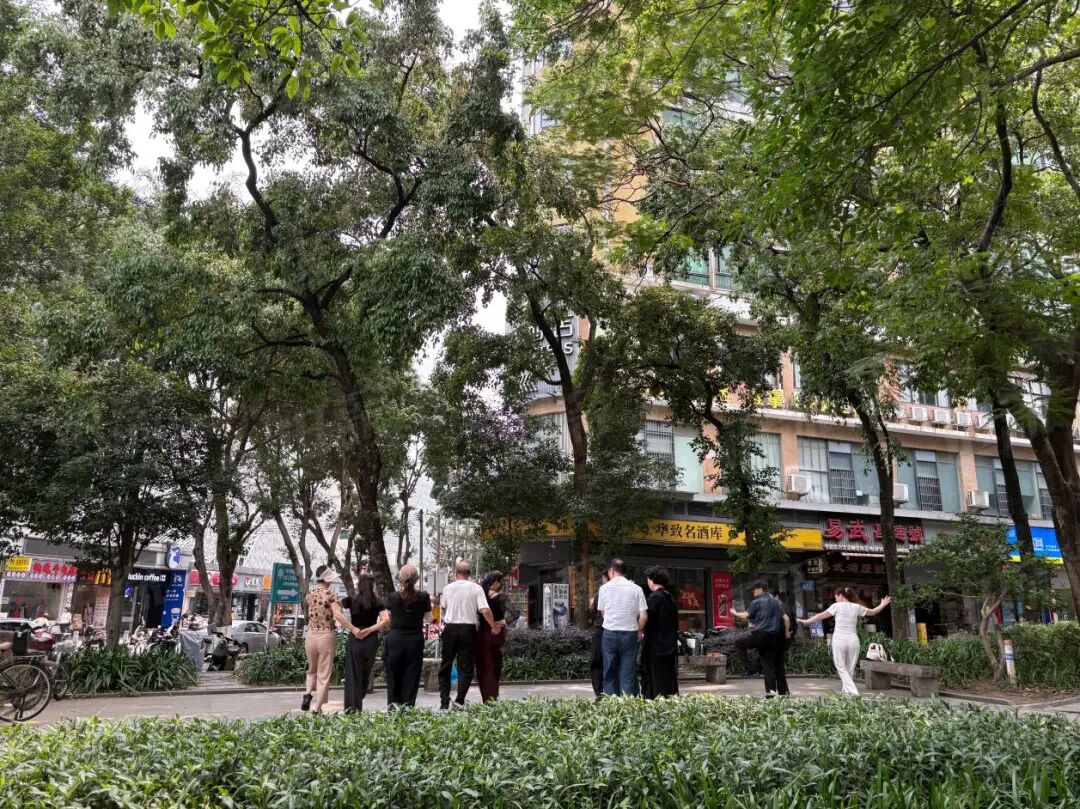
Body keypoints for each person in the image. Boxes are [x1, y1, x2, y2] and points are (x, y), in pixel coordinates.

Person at [800, 588, 892, 696]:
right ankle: (847, 693)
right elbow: (873, 612)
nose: (836, 599)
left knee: (840, 666)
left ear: (840, 596)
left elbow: (820, 616)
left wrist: (806, 621)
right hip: (853, 640)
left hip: (840, 639)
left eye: (836, 597)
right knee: (850, 668)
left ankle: (853, 692)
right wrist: (882, 604)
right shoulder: (856, 607)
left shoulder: (837, 606)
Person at [302, 565, 364, 714]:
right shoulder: (331, 595)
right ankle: (317, 709)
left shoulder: (310, 594)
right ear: (327, 579)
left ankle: (307, 694)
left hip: (311, 635)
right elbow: (338, 615)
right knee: (323, 674)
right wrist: (353, 628)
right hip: (326, 636)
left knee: (311, 670)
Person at [438, 561, 500, 709]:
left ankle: (444, 701)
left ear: (455, 573)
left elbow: (443, 607)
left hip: (450, 629)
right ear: (469, 574)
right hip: (468, 630)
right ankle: (459, 700)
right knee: (465, 667)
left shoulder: (447, 588)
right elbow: (485, 610)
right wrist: (493, 626)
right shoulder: (476, 588)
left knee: (446, 665)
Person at [597, 558, 648, 697]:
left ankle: (611, 704)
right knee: (628, 672)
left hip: (609, 634)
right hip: (630, 635)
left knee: (609, 672)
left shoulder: (604, 588)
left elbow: (603, 613)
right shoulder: (637, 589)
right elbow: (644, 615)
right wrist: (639, 630)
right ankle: (626, 705)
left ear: (612, 571)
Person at [384, 564, 432, 708]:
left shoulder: (392, 597)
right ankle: (408, 708)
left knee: (393, 674)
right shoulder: (424, 596)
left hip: (395, 639)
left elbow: (387, 619)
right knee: (412, 674)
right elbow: (429, 619)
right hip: (415, 640)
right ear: (416, 579)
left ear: (400, 579)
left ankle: (393, 708)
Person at [340, 572, 388, 713]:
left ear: (359, 584)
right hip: (371, 640)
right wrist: (370, 630)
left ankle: (352, 708)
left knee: (353, 673)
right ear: (372, 585)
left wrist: (354, 629)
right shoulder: (378, 601)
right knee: (366, 672)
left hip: (355, 638)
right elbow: (386, 620)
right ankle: (360, 697)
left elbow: (338, 611)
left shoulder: (351, 600)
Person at [730, 580, 787, 698]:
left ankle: (751, 669)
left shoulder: (757, 602)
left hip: (760, 635)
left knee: (739, 643)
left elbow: (745, 615)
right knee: (769, 666)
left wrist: (734, 613)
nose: (753, 592)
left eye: (754, 589)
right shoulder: (777, 602)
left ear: (760, 589)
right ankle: (770, 695)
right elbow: (786, 619)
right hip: (772, 638)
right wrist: (787, 632)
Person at [641, 567, 679, 699]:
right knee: (668, 678)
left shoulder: (653, 598)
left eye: (648, 580)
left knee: (655, 678)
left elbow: (647, 619)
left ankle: (655, 701)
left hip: (655, 645)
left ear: (652, 580)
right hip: (669, 645)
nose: (647, 583)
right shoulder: (670, 597)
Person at [475, 570, 510, 702]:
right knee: (495, 664)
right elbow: (514, 614)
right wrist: (500, 623)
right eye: (501, 582)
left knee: (483, 665)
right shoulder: (501, 598)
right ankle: (493, 695)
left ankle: (486, 696)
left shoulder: (480, 595)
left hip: (481, 633)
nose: (501, 584)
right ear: (495, 582)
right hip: (496, 633)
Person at [587, 572, 609, 701]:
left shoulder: (601, 592)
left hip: (601, 630)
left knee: (597, 662)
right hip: (619, 631)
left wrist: (591, 605)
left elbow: (593, 611)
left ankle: (599, 693)